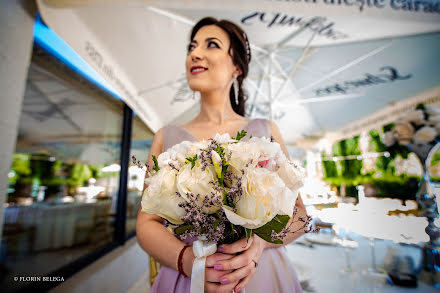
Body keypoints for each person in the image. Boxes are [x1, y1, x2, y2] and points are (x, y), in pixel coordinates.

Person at [136, 17, 307, 293]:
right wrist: (190, 263)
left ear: (237, 67)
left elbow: (299, 215)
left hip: (262, 275)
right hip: (188, 280)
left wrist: (261, 242)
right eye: (192, 47)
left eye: (211, 45)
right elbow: (146, 224)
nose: (195, 53)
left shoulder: (266, 131)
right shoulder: (166, 138)